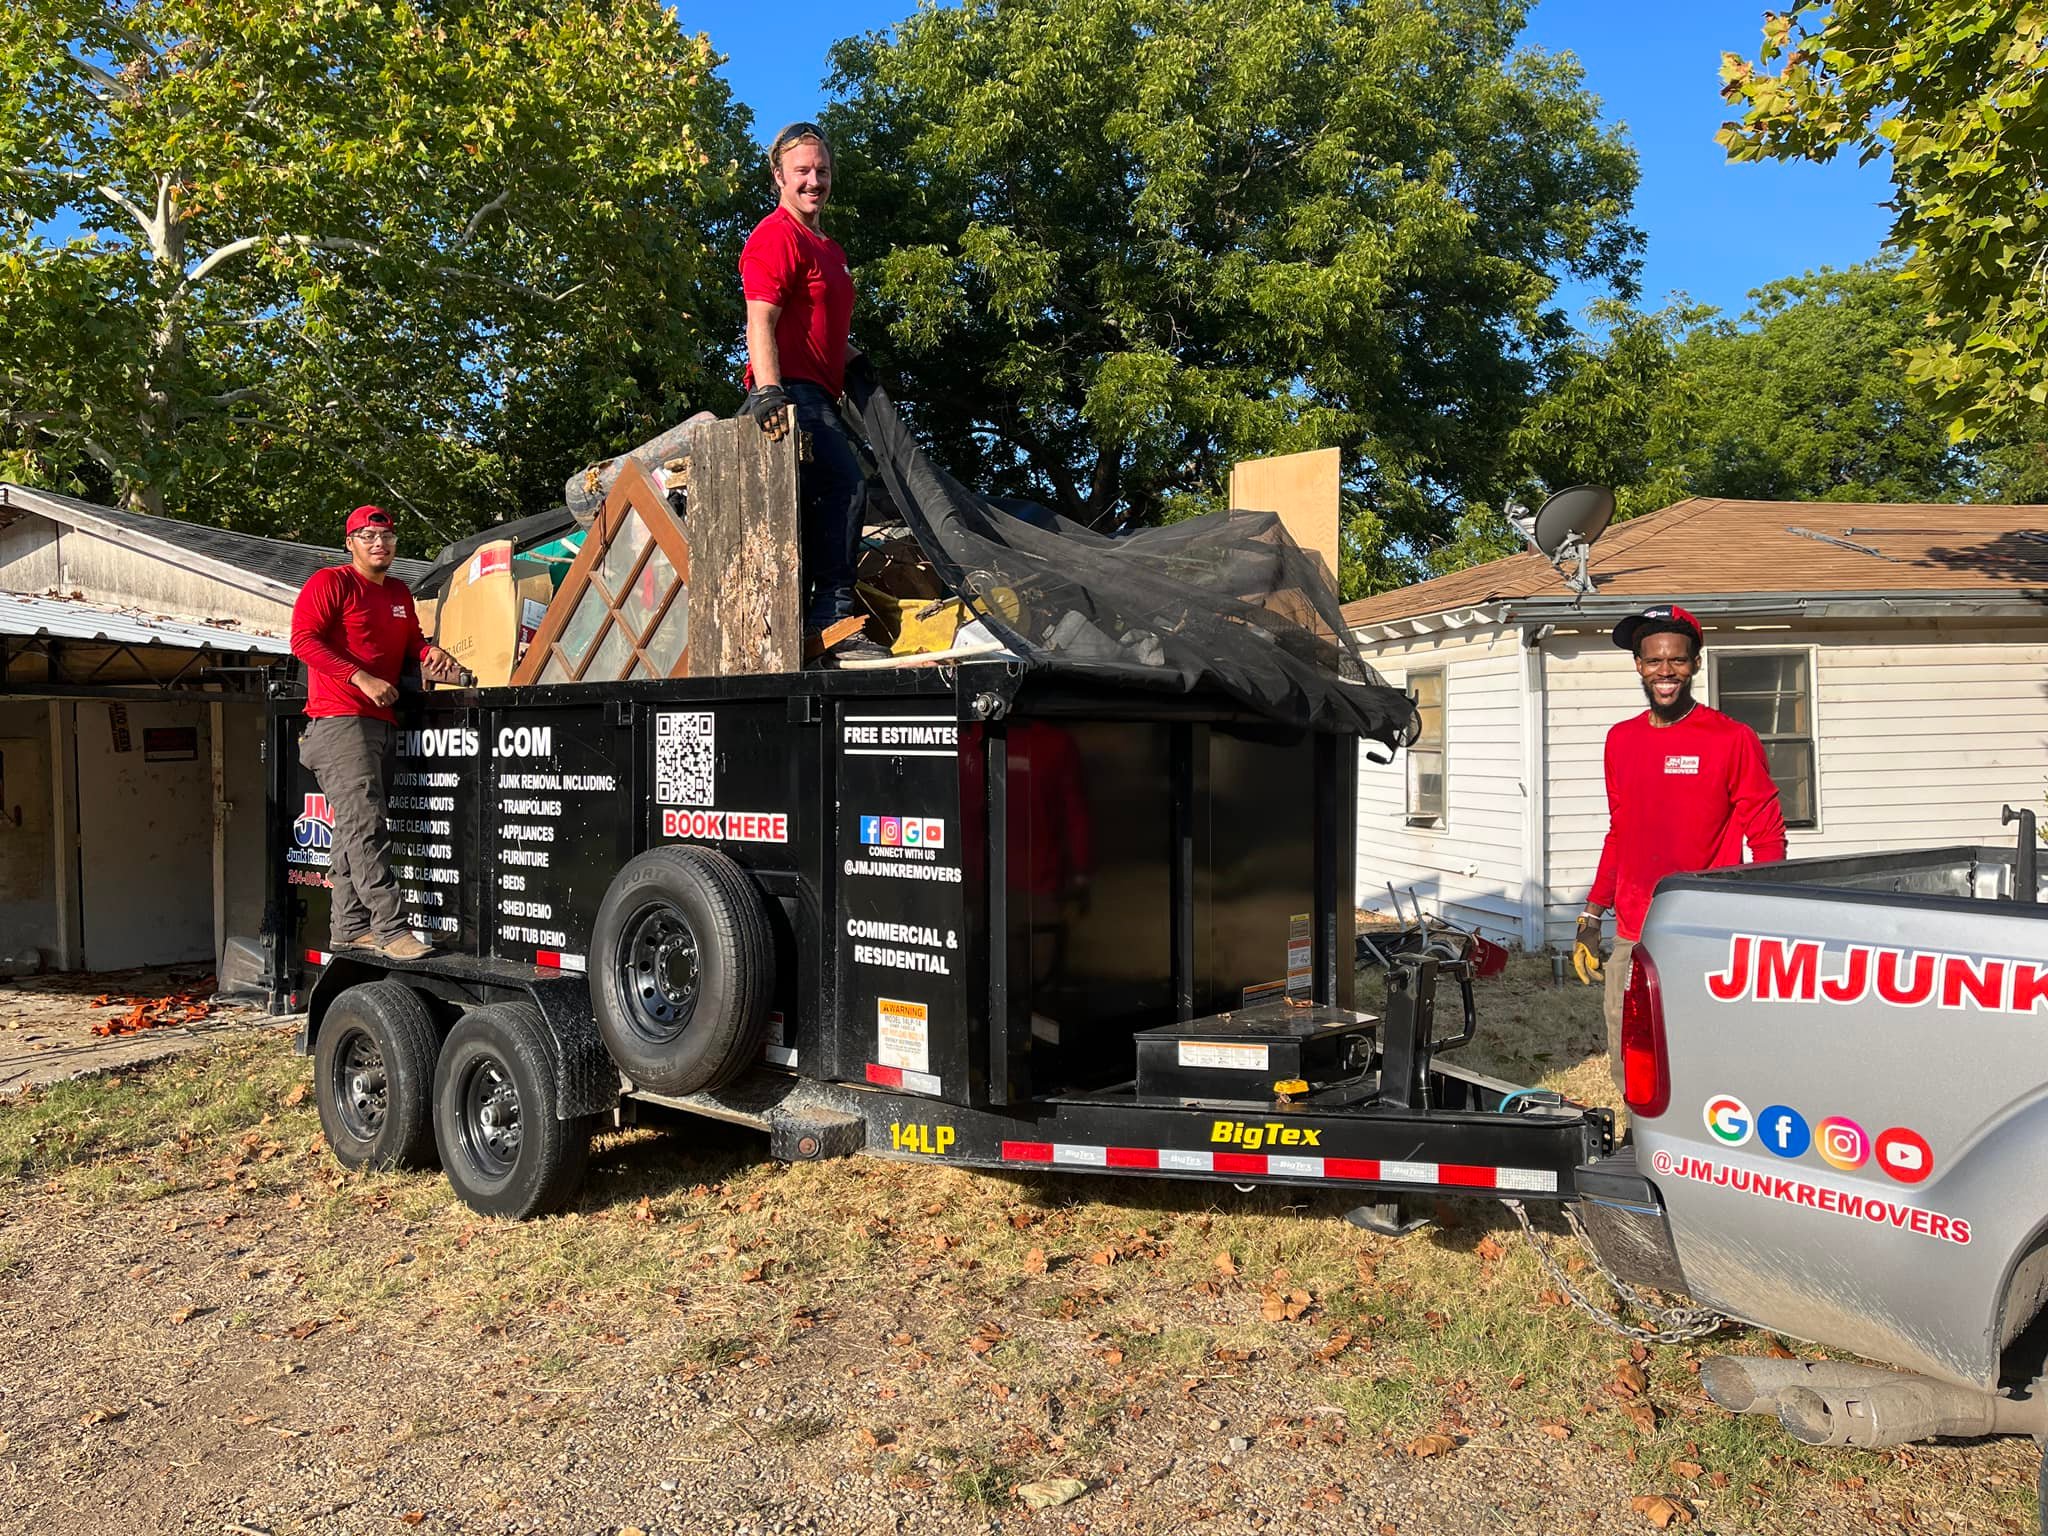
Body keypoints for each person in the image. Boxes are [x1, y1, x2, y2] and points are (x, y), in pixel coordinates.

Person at [1576, 603, 1787, 1087]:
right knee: (1631, 1063)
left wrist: (1760, 921)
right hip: (1633, 932)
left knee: (1703, 1063)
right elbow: (1620, 831)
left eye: (1677, 660)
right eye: (1654, 660)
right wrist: (1593, 913)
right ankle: (1636, 1148)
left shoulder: (1731, 739)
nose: (1665, 671)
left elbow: (1767, 837)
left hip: (1702, 931)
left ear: (1694, 664)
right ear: (1638, 665)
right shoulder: (1621, 740)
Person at [737, 120, 887, 665]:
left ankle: (814, 617)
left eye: (821, 171)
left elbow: (819, 326)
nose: (813, 180)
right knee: (844, 485)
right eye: (802, 171)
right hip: (791, 394)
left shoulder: (830, 248)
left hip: (824, 392)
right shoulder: (776, 235)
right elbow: (762, 321)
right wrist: (770, 394)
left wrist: (853, 360)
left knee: (826, 498)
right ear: (779, 175)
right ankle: (832, 620)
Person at [290, 505, 463, 960]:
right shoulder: (332, 583)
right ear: (350, 543)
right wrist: (359, 677)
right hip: (339, 720)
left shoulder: (401, 593)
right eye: (367, 536)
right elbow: (303, 641)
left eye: (386, 537)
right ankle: (390, 928)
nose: (378, 544)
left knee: (353, 831)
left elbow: (413, 644)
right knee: (367, 826)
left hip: (380, 723)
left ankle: (348, 927)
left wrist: (431, 654)